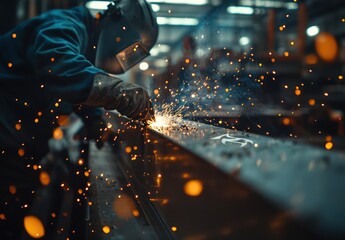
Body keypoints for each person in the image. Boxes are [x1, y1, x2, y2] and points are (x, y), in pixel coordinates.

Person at [0, 0, 158, 238]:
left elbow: (72, 93)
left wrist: (96, 120)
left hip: (17, 144)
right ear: (116, 26)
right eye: (131, 50)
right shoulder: (64, 23)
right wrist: (115, 92)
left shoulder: (82, 45)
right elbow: (56, 66)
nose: (127, 58)